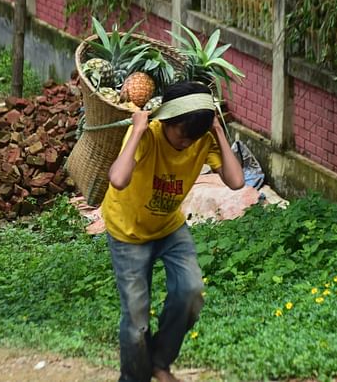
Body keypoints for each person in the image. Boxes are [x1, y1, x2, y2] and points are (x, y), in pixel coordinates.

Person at [102, 82, 245, 382]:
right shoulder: (149, 135)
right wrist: (138, 129)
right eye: (182, 135)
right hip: (128, 232)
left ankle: (159, 362)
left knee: (190, 292)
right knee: (137, 322)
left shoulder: (201, 138)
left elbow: (236, 182)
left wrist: (218, 131)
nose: (187, 143)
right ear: (167, 120)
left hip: (169, 228)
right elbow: (117, 178)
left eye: (194, 137)